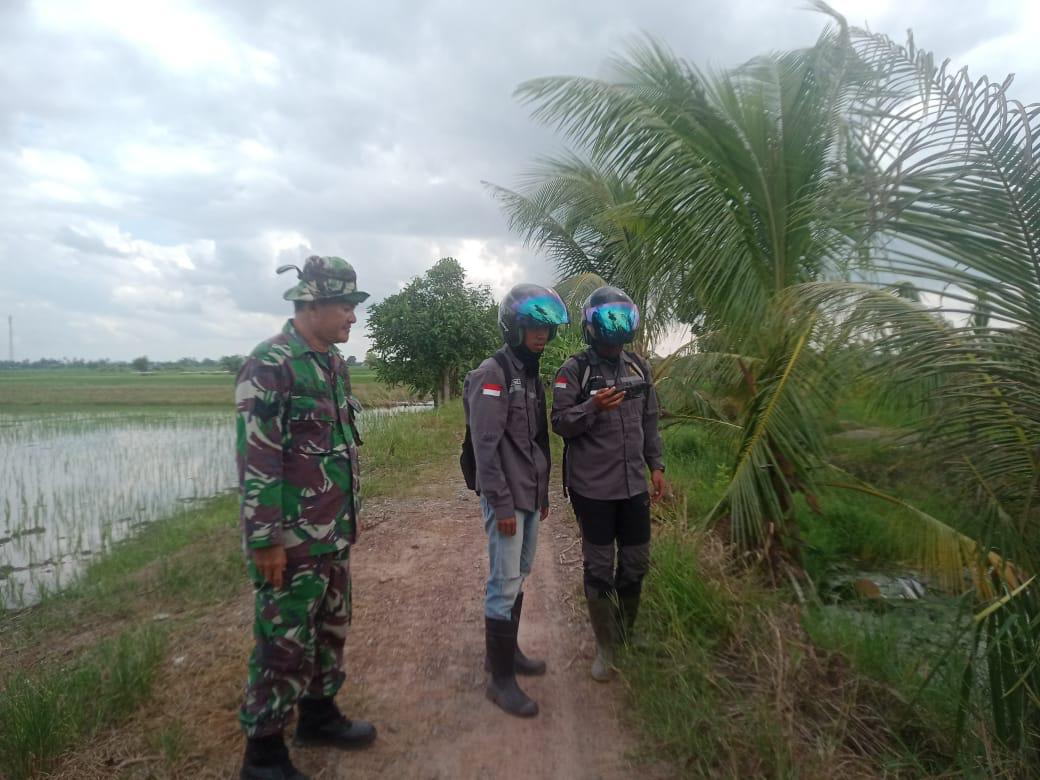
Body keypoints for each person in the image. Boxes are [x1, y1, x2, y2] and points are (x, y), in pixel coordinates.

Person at [235, 255, 377, 780]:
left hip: (332, 531)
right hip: (291, 540)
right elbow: (258, 457)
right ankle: (264, 752)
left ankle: (319, 714)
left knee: (330, 628)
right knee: (283, 642)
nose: (352, 318)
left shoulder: (332, 365)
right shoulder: (270, 363)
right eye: (346, 306)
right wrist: (265, 538)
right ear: (311, 303)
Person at [462, 283, 570, 717]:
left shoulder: (529, 374)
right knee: (503, 581)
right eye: (532, 328)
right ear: (514, 327)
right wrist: (502, 505)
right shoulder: (494, 373)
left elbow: (537, 441)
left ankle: (507, 655)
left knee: (519, 574)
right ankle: (499, 680)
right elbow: (485, 447)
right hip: (507, 499)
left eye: (546, 329)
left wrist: (541, 495)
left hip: (529, 496)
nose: (541, 336)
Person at [551, 286, 666, 682]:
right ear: (591, 326)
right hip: (593, 489)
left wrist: (657, 466)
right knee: (600, 567)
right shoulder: (574, 370)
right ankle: (605, 647)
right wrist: (593, 406)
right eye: (607, 320)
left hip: (634, 484)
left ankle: (625, 636)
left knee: (636, 563)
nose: (615, 329)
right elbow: (561, 423)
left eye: (622, 319)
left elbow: (650, 421)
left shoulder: (639, 368)